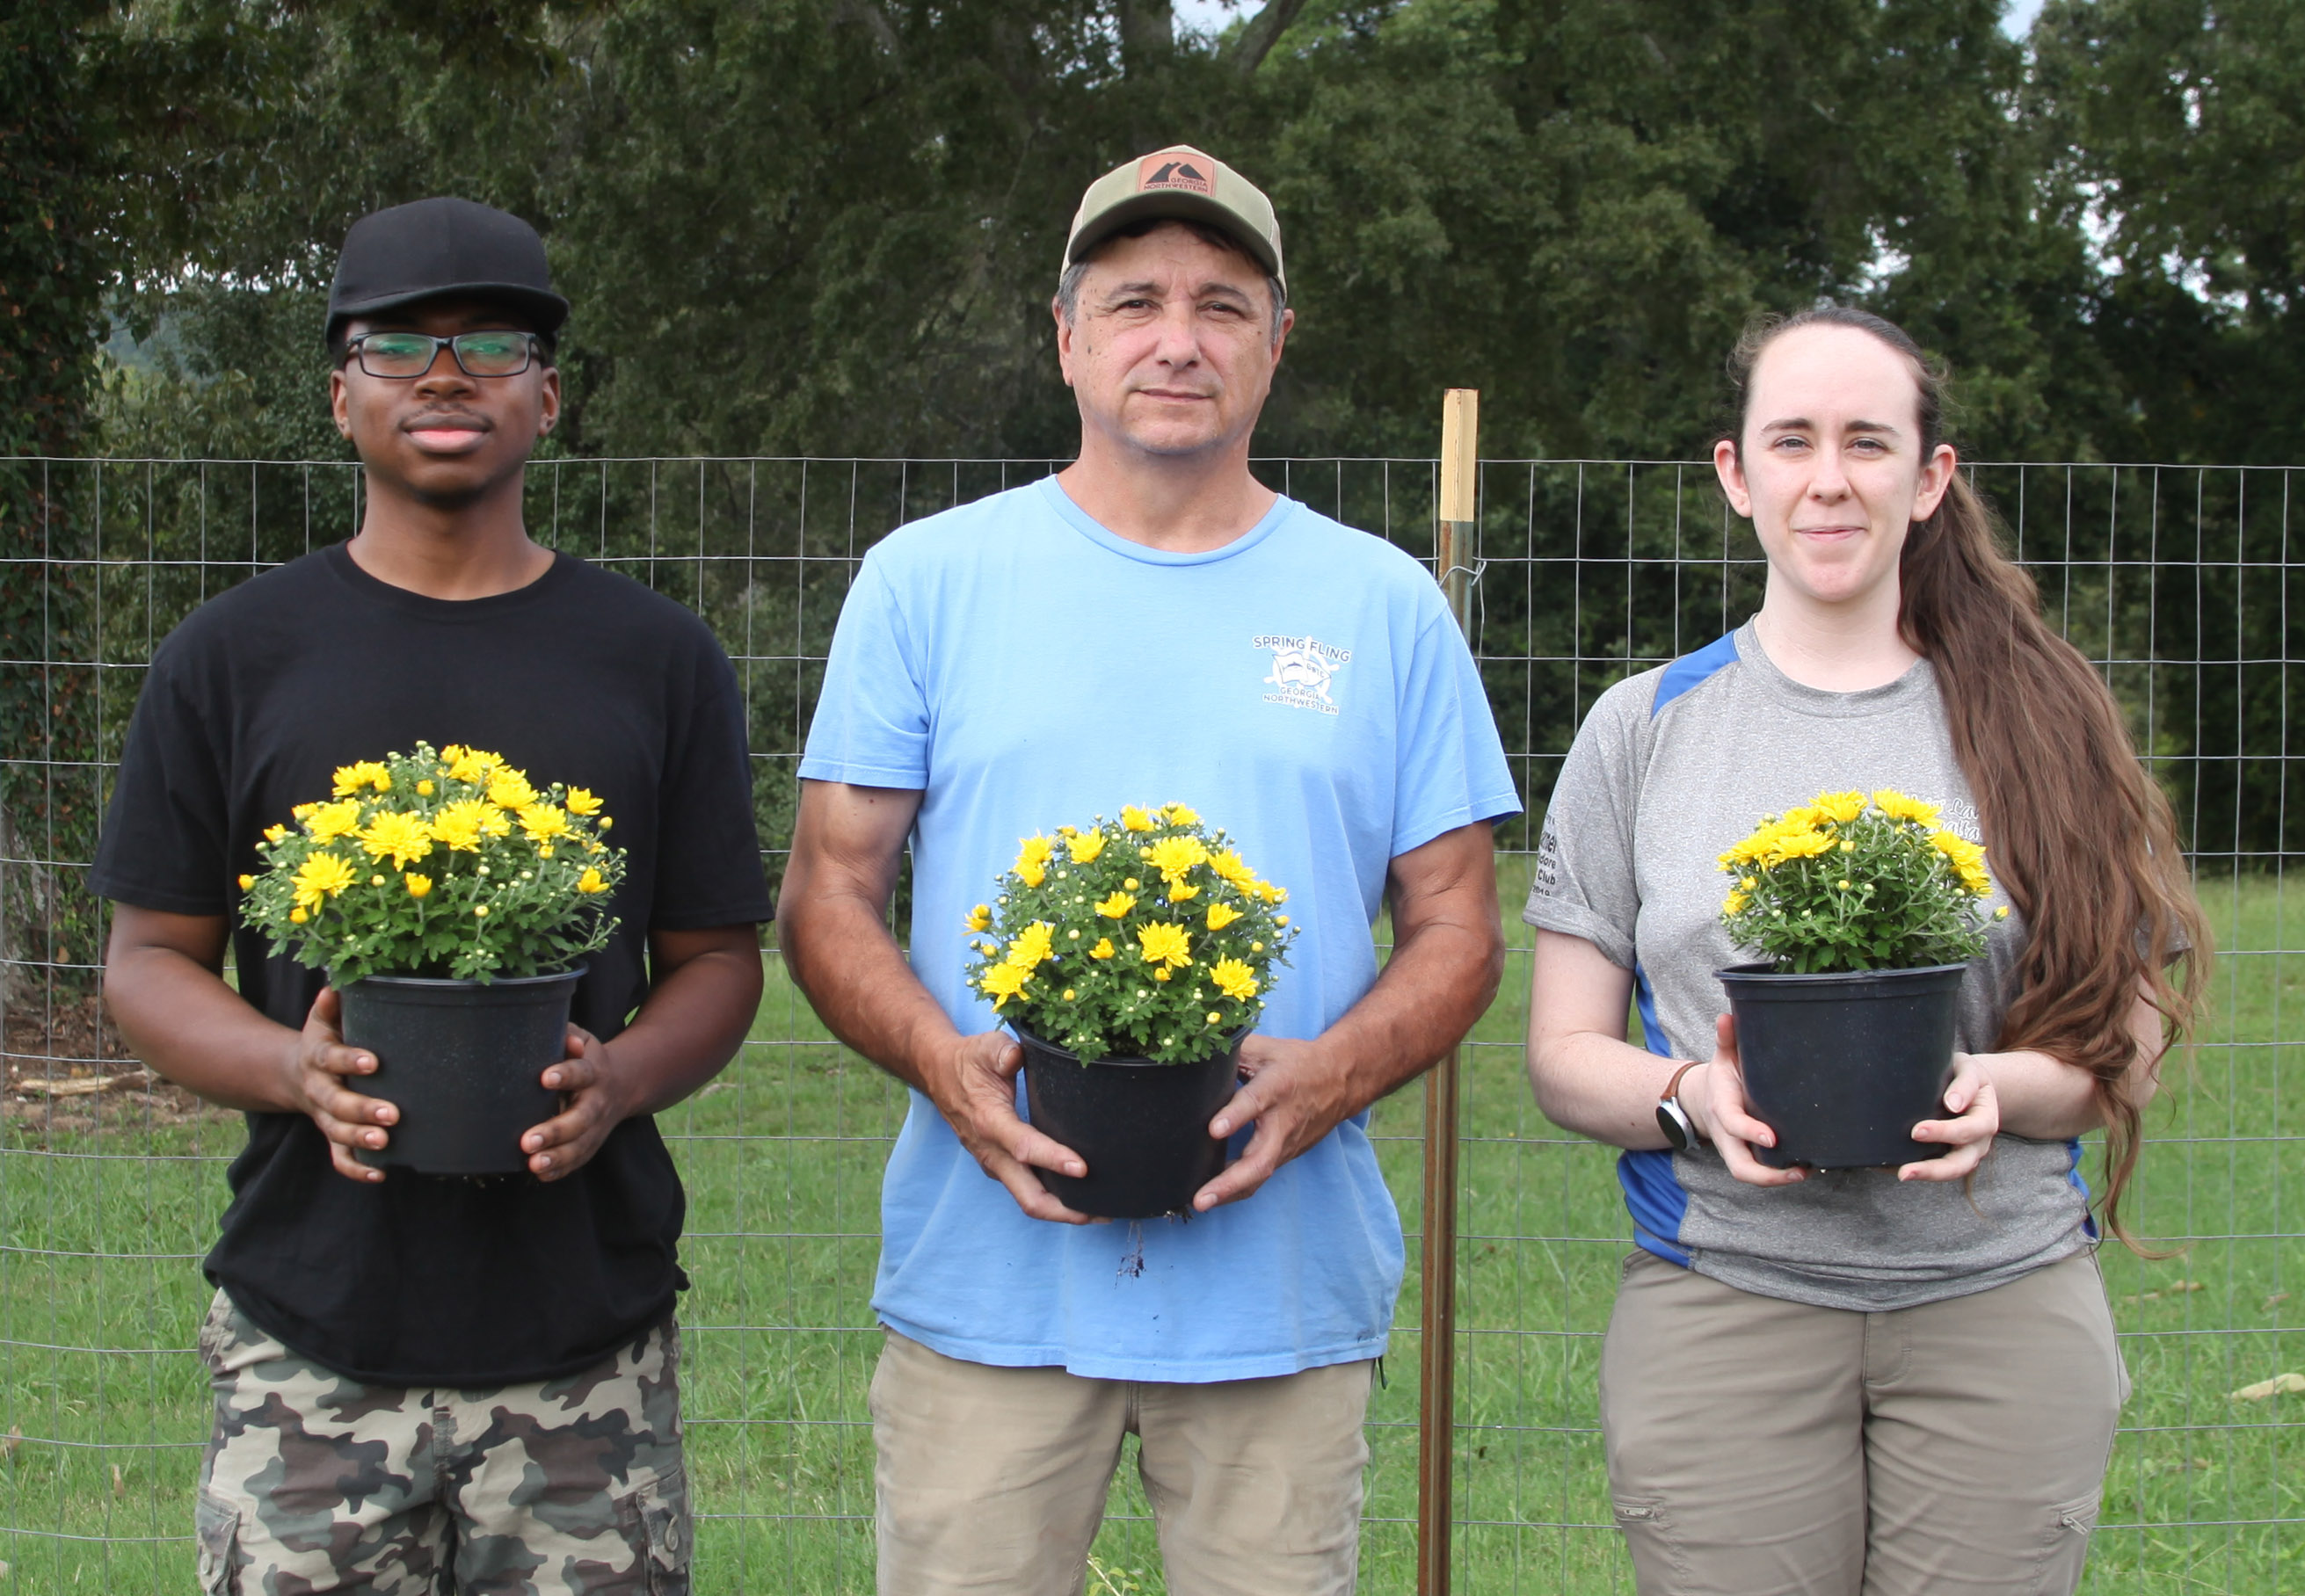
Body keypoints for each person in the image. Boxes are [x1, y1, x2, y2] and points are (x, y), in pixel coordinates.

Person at [776, 145, 1521, 1595]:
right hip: (986, 1284)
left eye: (1223, 304)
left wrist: (1335, 1072)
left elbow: (1456, 924)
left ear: (1276, 343)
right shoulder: (927, 581)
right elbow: (828, 891)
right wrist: (944, 1061)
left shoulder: (1382, 604)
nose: (1177, 340)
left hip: (1280, 1291)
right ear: (1065, 336)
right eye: (1133, 302)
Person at [94, 197, 769, 1595]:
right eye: (398, 344)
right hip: (311, 1339)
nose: (446, 374)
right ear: (341, 394)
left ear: (550, 396)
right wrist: (294, 1069)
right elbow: (148, 959)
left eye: (492, 342)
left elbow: (715, 959)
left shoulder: (657, 659)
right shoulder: (232, 657)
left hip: (587, 1347)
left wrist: (622, 1078)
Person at [1523, 306, 2207, 1596]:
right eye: (1789, 441)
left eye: (1865, 442)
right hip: (1724, 1299)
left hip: (1996, 1303)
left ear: (1928, 478)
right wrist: (1688, 1100)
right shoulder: (1642, 729)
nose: (1826, 478)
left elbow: (2124, 1033)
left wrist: (1994, 1090)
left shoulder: (2043, 712)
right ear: (1734, 474)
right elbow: (1562, 1053)